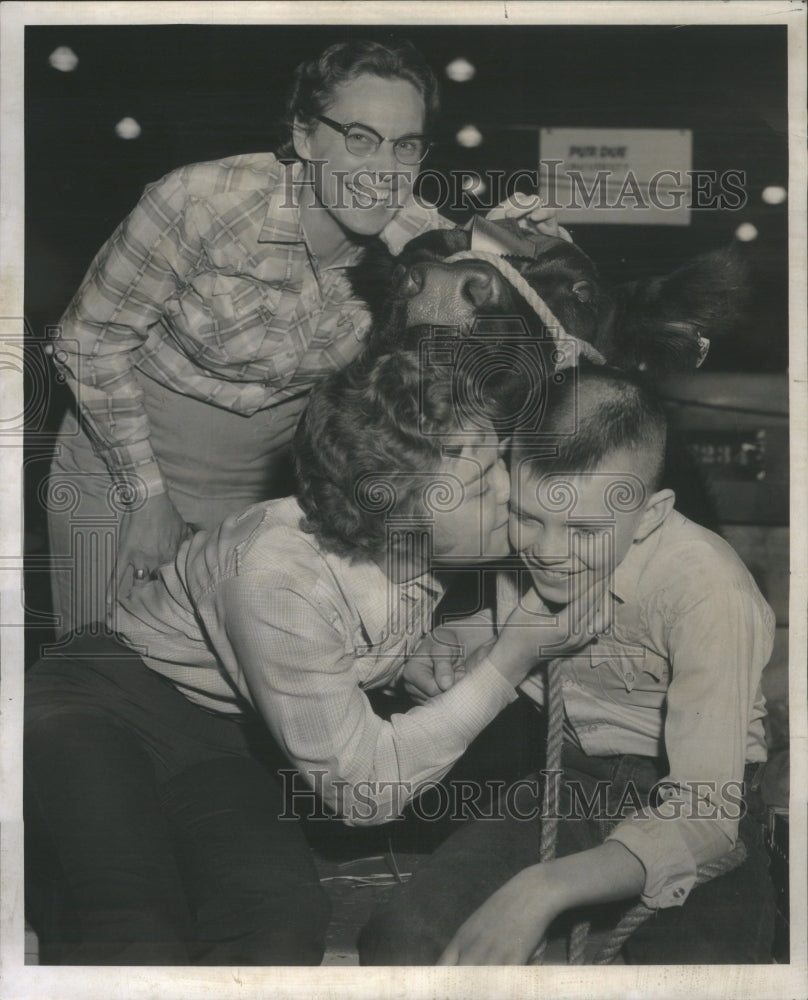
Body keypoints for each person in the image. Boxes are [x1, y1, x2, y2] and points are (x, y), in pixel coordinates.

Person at [24, 350, 606, 965]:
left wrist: (405, 658)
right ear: (396, 516)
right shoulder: (273, 571)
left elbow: (350, 627)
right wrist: (508, 661)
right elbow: (363, 792)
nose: (511, 494)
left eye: (500, 463)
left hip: (224, 737)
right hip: (97, 705)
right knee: (134, 926)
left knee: (279, 932)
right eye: (480, 484)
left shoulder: (414, 538)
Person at [45, 37, 562, 637]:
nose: (384, 171)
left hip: (263, 486)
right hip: (120, 463)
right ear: (302, 134)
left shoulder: (423, 245)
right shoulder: (199, 201)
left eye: (405, 145)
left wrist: (541, 248)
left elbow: (538, 321)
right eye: (359, 137)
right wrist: (145, 498)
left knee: (225, 687)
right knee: (100, 660)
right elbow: (88, 342)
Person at [359, 364, 777, 965]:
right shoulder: (532, 540)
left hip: (701, 803)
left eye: (583, 529)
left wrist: (540, 890)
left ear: (651, 515)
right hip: (569, 787)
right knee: (406, 938)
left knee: (699, 974)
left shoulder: (709, 590)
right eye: (528, 517)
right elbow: (513, 625)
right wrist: (444, 643)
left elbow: (706, 815)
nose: (548, 555)